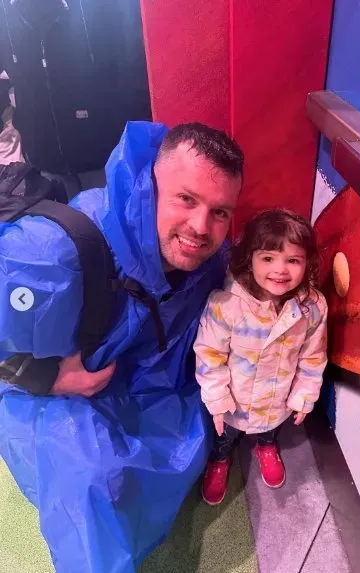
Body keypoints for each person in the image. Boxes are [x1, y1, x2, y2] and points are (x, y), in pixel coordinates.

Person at [0, 121, 243, 572]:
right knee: (90, 477)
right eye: (186, 199)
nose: (200, 227)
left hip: (142, 381)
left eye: (220, 212)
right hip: (57, 394)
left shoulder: (206, 260)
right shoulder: (51, 254)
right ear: (151, 186)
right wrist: (46, 378)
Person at [194, 209, 328, 506]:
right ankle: (220, 458)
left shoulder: (312, 307)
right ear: (250, 258)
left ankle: (265, 446)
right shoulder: (227, 304)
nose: (280, 270)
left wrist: (305, 395)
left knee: (270, 430)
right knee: (224, 437)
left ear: (307, 262)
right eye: (268, 258)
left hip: (277, 398)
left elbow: (313, 355)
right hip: (234, 401)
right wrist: (216, 399)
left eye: (293, 260)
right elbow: (209, 355)